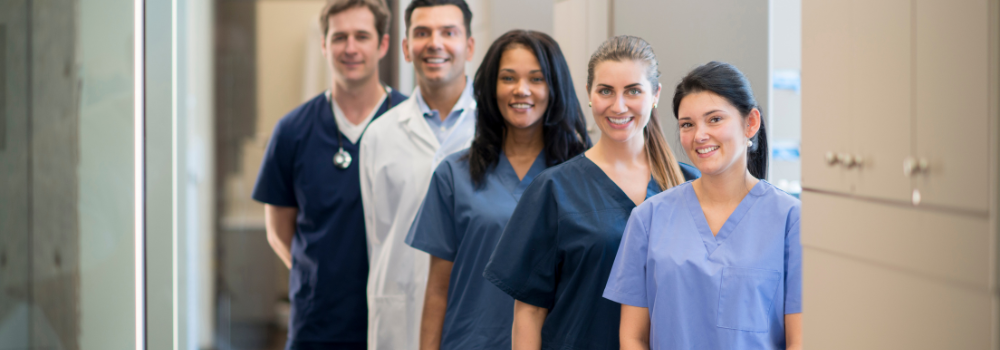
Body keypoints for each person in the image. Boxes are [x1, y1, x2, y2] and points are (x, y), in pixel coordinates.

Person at [483, 35, 700, 350]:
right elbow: (529, 312)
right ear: (588, 94)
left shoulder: (689, 184)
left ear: (655, 95)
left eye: (633, 91)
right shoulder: (554, 190)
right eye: (606, 91)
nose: (618, 105)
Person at [405, 30, 590, 350]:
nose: (521, 90)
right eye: (508, 78)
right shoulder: (453, 175)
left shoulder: (583, 176)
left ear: (554, 87)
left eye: (536, 79)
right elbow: (437, 289)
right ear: (491, 87)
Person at [603, 61, 802, 350]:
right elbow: (633, 338)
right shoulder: (648, 218)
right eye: (687, 124)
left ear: (751, 123)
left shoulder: (790, 220)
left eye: (715, 119)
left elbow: (801, 340)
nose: (699, 136)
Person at [252, 0, 406, 349]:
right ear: (323, 45)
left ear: (382, 44)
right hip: (318, 323)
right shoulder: (292, 131)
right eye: (339, 37)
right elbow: (279, 230)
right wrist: (320, 275)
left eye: (362, 36)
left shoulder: (410, 124)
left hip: (396, 320)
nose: (350, 48)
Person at [358, 0, 477, 348]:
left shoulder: (495, 131)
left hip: (474, 314)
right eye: (422, 33)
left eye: (448, 32)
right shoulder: (378, 135)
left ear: (469, 46)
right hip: (398, 313)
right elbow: (376, 238)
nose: (435, 43)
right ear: (406, 49)